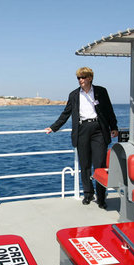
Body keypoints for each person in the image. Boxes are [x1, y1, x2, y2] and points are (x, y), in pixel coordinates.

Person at [45, 67, 118, 209]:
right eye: (78, 77)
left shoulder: (101, 91)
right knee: (84, 165)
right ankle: (88, 193)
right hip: (82, 130)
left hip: (98, 129)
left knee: (99, 165)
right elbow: (65, 114)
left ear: (90, 78)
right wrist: (53, 127)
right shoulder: (73, 95)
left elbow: (109, 110)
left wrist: (114, 127)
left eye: (83, 77)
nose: (80, 80)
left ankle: (102, 197)